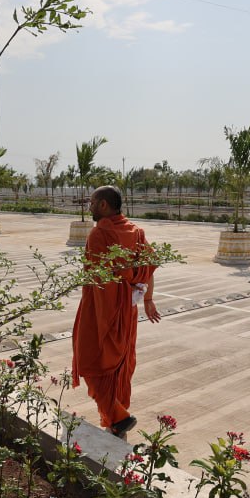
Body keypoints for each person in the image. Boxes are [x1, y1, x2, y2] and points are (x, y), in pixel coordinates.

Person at [71, 185, 160, 438]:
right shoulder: (136, 231)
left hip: (102, 310)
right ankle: (115, 418)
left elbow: (100, 279)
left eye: (91, 202)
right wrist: (148, 299)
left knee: (88, 358)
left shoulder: (100, 234)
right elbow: (148, 268)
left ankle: (119, 417)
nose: (88, 207)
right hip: (127, 311)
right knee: (118, 362)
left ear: (102, 205)